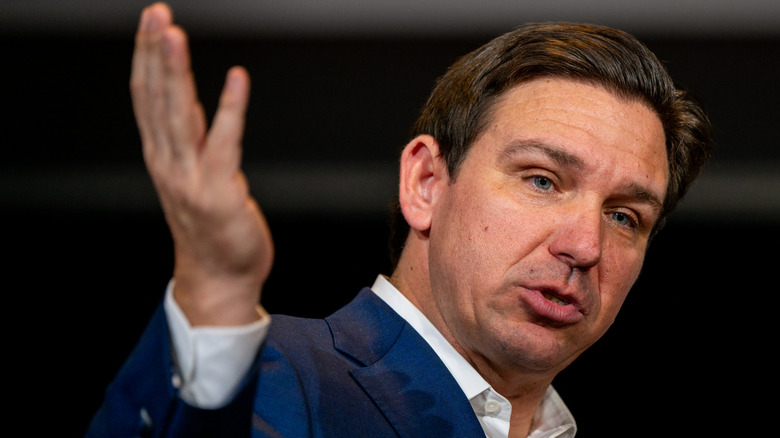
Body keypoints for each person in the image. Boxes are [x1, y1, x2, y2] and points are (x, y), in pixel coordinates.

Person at [86, 2, 712, 437]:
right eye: (543, 180)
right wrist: (215, 294)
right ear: (426, 183)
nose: (585, 245)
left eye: (625, 216)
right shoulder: (281, 378)